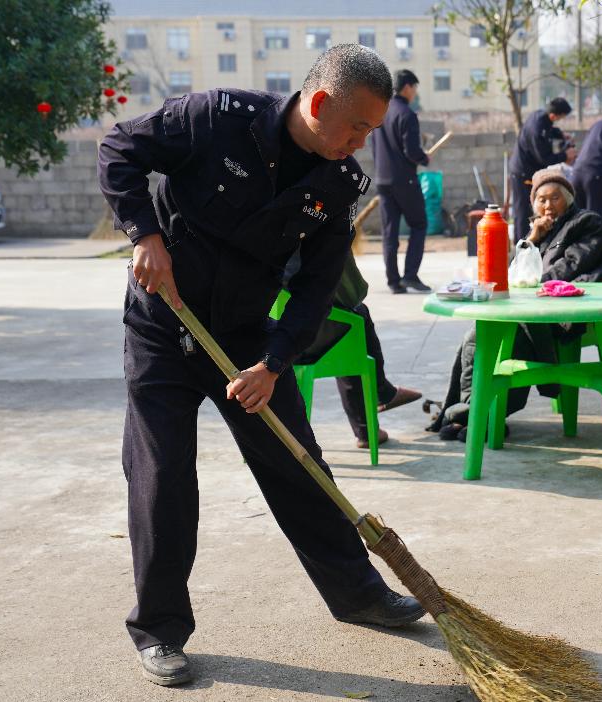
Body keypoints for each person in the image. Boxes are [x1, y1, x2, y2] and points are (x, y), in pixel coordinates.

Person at [97, 44, 425, 688]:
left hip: (248, 338)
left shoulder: (337, 183)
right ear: (321, 101)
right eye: (357, 126)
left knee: (297, 464)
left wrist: (274, 364)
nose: (361, 143)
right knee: (162, 478)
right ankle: (160, 630)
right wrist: (145, 235)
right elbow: (119, 150)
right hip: (165, 327)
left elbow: (316, 289)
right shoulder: (213, 119)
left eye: (371, 132)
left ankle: (357, 594)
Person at [427, 170, 602, 440]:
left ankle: (482, 415)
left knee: (511, 339)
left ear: (568, 199)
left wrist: (530, 283)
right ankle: (472, 410)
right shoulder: (539, 230)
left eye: (555, 198)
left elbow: (573, 264)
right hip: (532, 307)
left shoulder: (587, 222)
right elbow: (507, 271)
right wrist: (532, 237)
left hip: (565, 312)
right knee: (476, 336)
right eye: (541, 199)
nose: (548, 205)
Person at [296, 251, 422, 449]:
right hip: (303, 337)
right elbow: (354, 293)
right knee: (354, 316)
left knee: (347, 319)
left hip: (264, 333)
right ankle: (378, 400)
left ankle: (382, 396)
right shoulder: (323, 225)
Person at [369, 69, 431, 294]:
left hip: (383, 180)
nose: (415, 93)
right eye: (414, 88)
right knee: (419, 224)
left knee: (390, 232)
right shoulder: (407, 114)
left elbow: (374, 147)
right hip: (405, 180)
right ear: (407, 87)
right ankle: (410, 276)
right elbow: (412, 151)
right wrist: (425, 158)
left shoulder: (380, 113)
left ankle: (394, 282)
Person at [509, 97, 576, 242]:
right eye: (561, 117)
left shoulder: (541, 116)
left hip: (529, 171)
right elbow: (545, 159)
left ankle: (533, 239)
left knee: (532, 208)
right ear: (554, 115)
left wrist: (560, 135)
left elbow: (550, 129)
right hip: (523, 172)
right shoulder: (537, 129)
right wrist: (565, 155)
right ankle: (521, 245)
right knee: (523, 210)